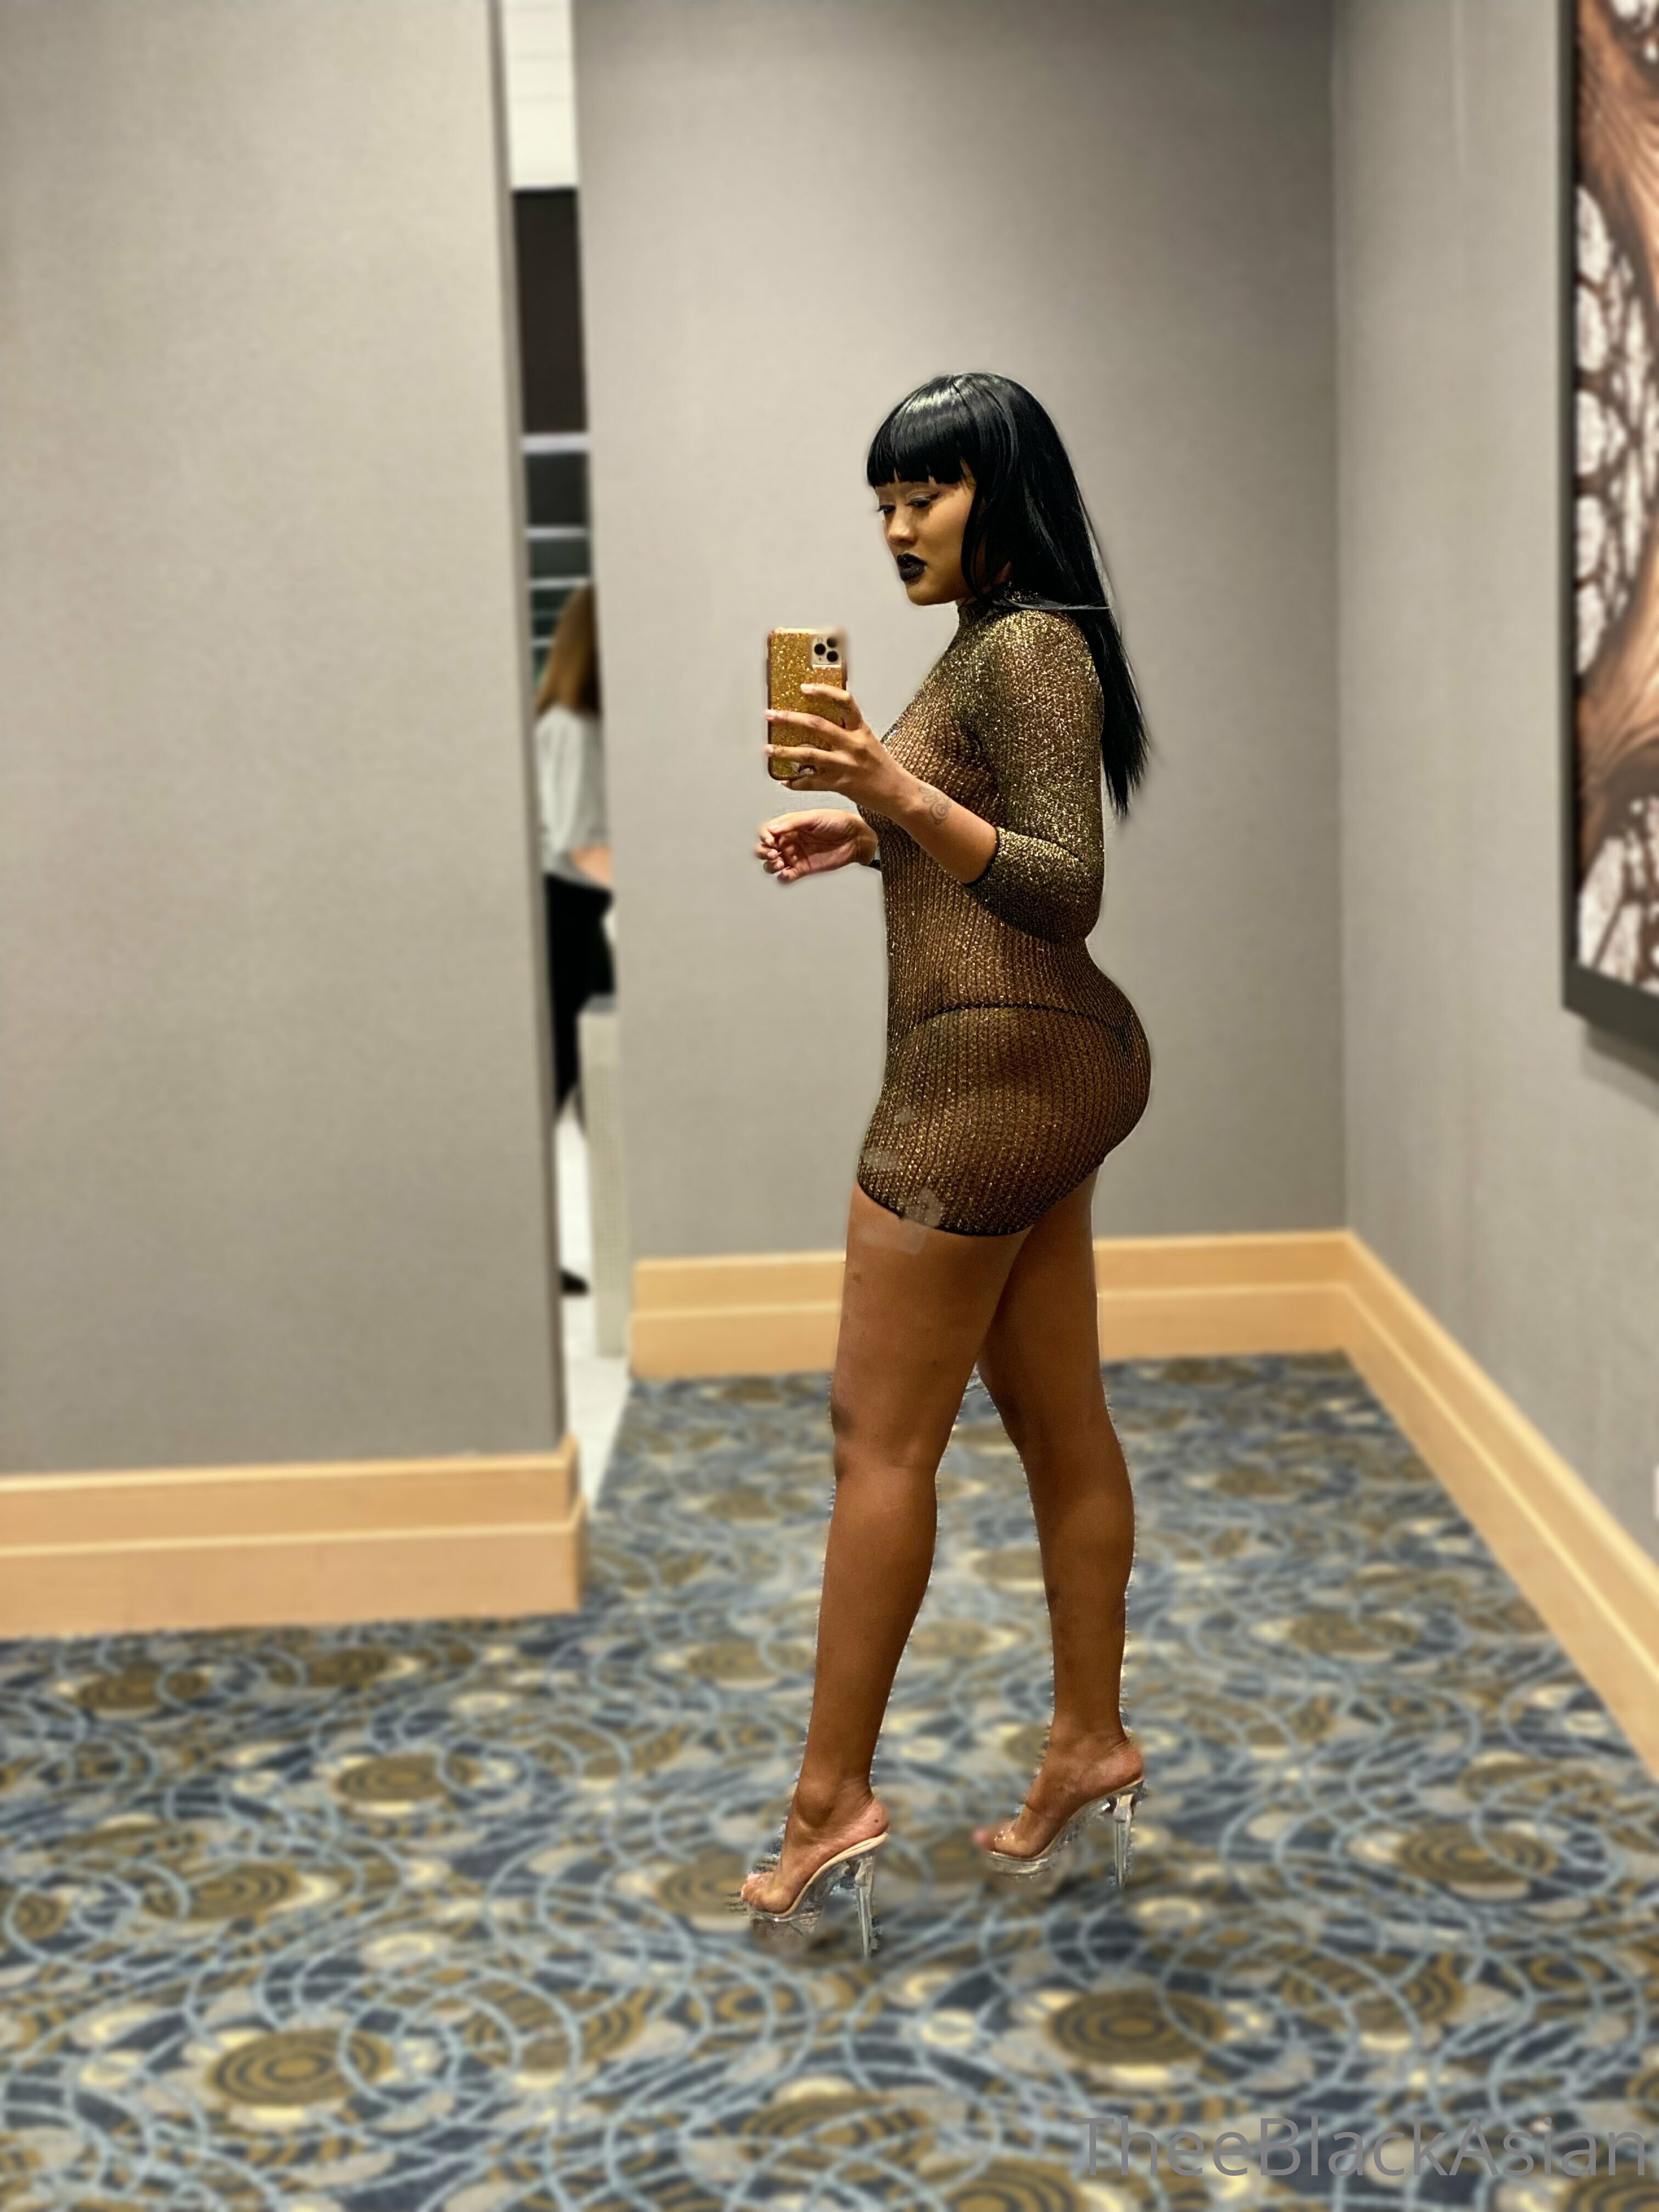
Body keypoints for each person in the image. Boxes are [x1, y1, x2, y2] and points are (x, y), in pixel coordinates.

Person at [737, 373, 1153, 1956]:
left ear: (1005, 490)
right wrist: (870, 831)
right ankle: (1088, 1744)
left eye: (927, 494)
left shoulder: (1030, 644)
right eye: (885, 503)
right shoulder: (986, 642)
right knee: (1056, 1421)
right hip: (1039, 1064)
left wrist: (892, 788)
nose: (899, 525)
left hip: (987, 1075)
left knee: (879, 1440)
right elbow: (979, 830)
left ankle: (827, 1802)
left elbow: (1066, 884)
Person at [533, 584, 613, 1295]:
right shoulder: (572, 726)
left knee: (585, 1085)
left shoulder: (570, 723)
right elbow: (582, 843)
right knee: (569, 1080)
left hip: (573, 915)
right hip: (565, 917)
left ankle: (610, 1242)